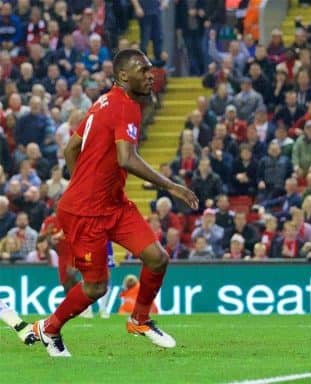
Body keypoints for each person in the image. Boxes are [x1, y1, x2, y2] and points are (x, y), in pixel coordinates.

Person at [32, 49, 199, 357]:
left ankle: (140, 319)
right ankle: (49, 328)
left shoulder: (102, 102)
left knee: (157, 258)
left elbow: (71, 147)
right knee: (96, 287)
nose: (151, 75)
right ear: (124, 75)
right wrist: (171, 185)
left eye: (151, 69)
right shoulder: (125, 106)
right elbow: (126, 158)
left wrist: (83, 177)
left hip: (113, 205)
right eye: (143, 69)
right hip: (84, 212)